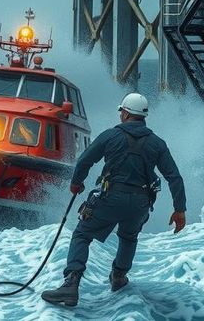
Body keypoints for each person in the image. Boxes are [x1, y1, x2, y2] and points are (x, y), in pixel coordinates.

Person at [41, 92, 187, 307]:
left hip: (111, 198)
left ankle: (71, 284)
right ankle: (118, 276)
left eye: (122, 111)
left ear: (126, 113)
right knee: (128, 237)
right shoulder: (157, 143)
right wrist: (179, 210)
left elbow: (84, 160)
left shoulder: (110, 136)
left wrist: (76, 183)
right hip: (140, 203)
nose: (121, 115)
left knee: (82, 234)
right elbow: (174, 177)